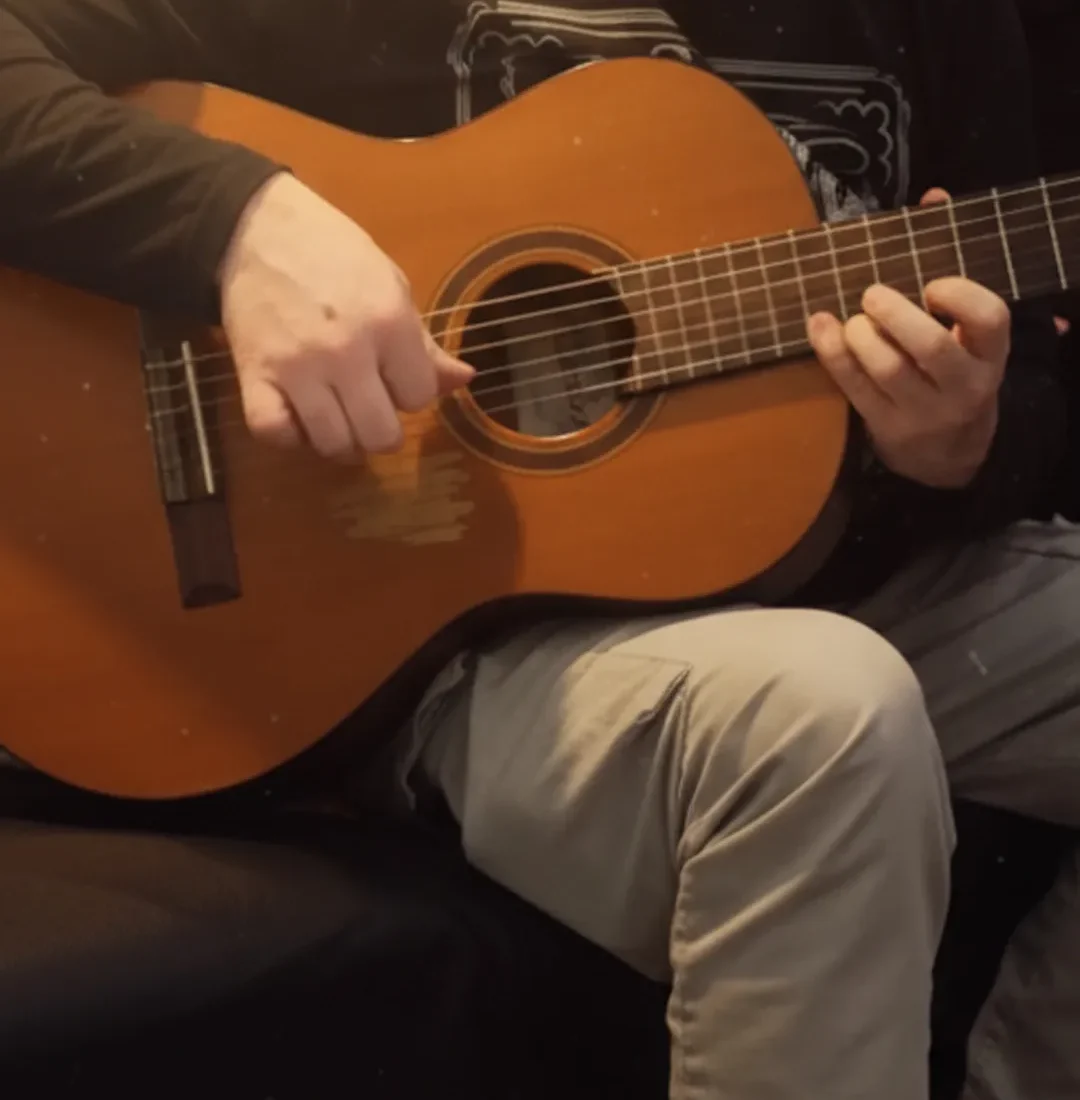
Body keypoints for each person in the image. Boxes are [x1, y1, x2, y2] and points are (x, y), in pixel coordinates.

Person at [0, 1, 1077, 1098]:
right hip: (413, 619)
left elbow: (1033, 377)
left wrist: (966, 445)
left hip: (814, 552)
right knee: (828, 712)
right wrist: (239, 225)